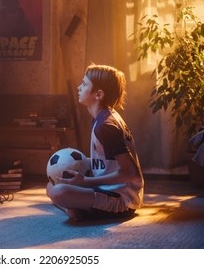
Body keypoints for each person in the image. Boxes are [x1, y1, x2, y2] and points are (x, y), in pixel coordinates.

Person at [46, 64, 144, 222]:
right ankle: (75, 208)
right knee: (51, 185)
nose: (79, 87)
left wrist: (86, 182)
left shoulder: (106, 126)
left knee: (58, 192)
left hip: (121, 200)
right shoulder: (103, 117)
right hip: (106, 189)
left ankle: (73, 210)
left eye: (84, 84)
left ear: (98, 94)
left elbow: (130, 173)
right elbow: (109, 161)